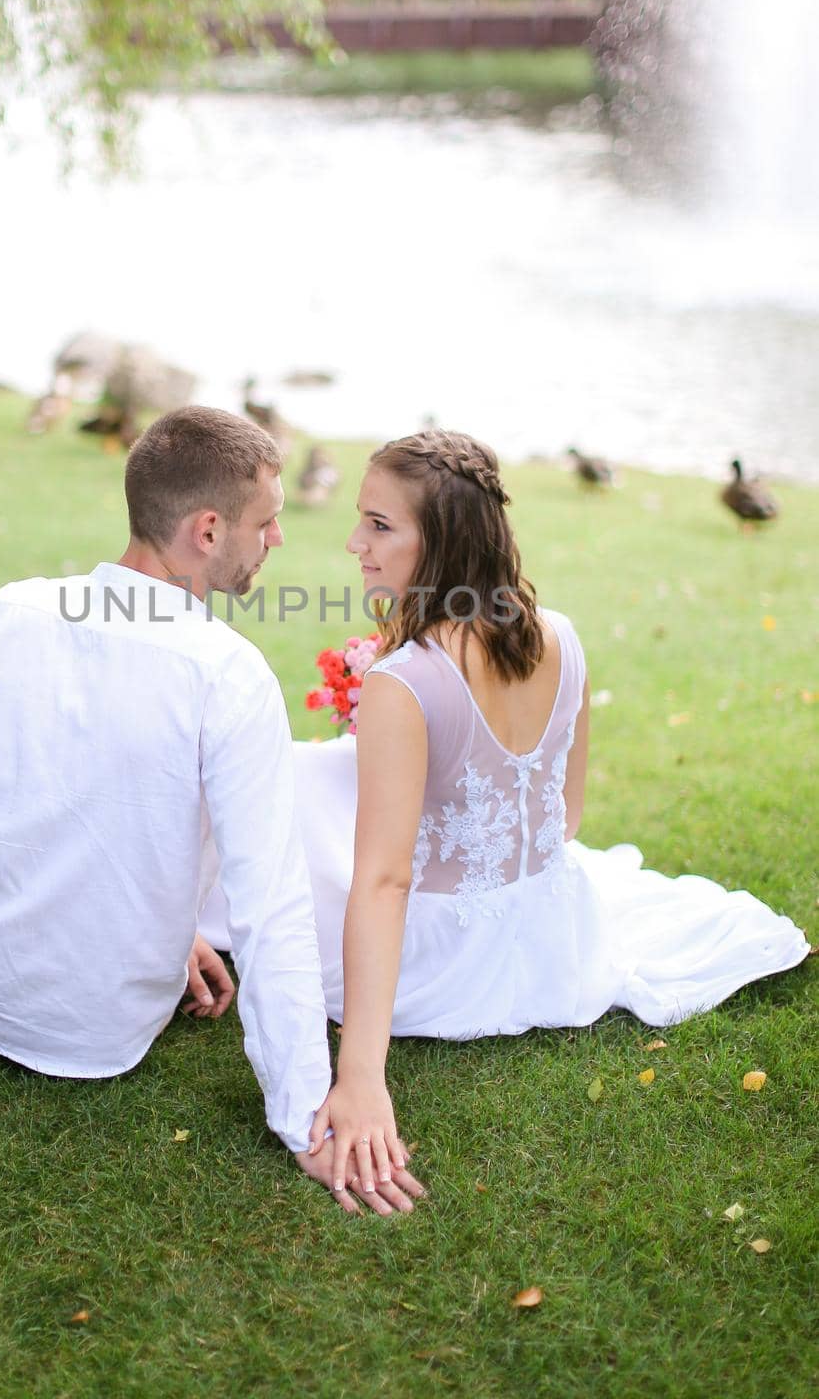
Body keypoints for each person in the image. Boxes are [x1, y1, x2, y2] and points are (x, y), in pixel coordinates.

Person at [206, 429, 811, 1195]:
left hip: (440, 967)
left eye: (380, 525)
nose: (355, 543)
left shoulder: (405, 681)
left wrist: (359, 1075)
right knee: (321, 773)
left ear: (446, 543)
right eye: (361, 519)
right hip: (558, 930)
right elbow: (567, 817)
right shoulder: (560, 635)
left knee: (274, 806)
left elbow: (386, 884)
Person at [0, 406, 423, 1216]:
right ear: (206, 531)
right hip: (109, 1026)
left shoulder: (11, 610)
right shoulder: (228, 675)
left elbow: (33, 802)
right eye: (264, 524)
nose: (277, 541)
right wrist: (302, 1116)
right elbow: (269, 907)